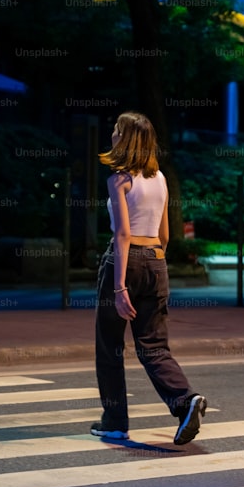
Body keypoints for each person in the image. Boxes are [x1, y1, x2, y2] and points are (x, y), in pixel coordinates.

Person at [91, 111, 206, 445]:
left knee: (109, 347)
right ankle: (185, 401)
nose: (112, 133)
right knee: (154, 346)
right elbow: (165, 234)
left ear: (125, 140)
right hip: (156, 260)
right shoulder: (160, 180)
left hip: (124, 263)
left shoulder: (119, 179)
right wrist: (155, 266)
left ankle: (114, 421)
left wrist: (119, 285)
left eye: (116, 129)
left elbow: (123, 234)